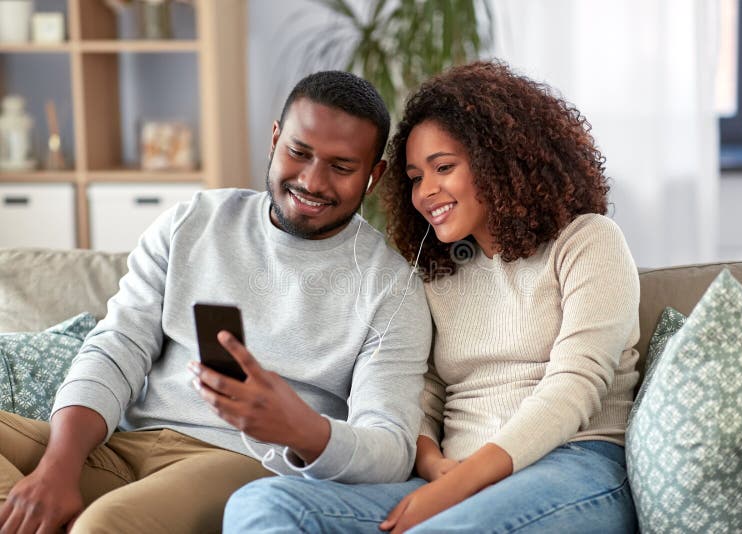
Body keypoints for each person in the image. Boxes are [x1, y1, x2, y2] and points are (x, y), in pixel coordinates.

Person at [0, 71, 431, 534]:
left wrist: (300, 427)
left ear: (374, 175)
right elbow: (115, 348)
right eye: (298, 152)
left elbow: (391, 448)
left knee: (103, 525)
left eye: (341, 167)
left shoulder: (392, 288)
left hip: (240, 463)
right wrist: (57, 470)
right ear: (275, 138)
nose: (311, 180)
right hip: (124, 446)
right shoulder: (193, 222)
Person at [223, 60, 641, 533]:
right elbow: (423, 393)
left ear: (499, 160)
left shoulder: (587, 240)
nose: (426, 192)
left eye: (444, 168)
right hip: (453, 473)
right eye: (416, 176)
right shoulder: (438, 270)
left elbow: (575, 385)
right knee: (261, 505)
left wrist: (451, 491)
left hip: (573, 466)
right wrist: (433, 466)